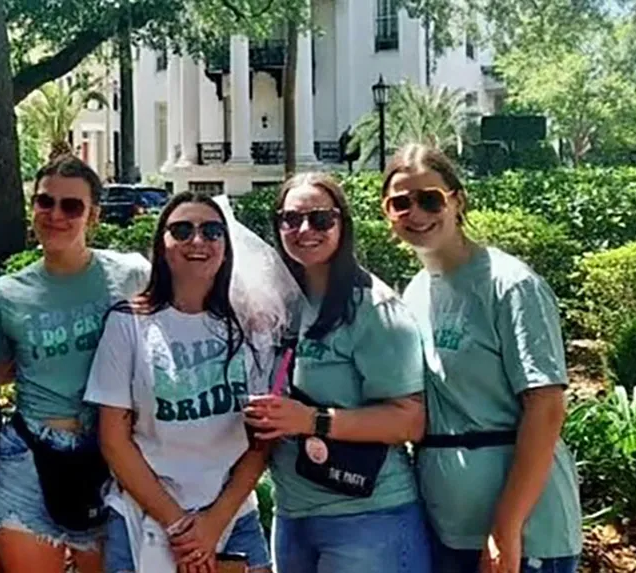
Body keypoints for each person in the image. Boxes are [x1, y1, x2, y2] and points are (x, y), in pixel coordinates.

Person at [383, 143, 582, 573]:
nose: (415, 213)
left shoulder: (510, 286)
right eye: (400, 203)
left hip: (526, 535)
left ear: (457, 201)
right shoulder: (415, 293)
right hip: (447, 527)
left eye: (429, 199)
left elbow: (546, 408)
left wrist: (506, 526)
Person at [245, 172, 433, 573]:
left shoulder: (374, 309)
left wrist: (312, 420)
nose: (304, 230)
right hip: (293, 514)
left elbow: (410, 420)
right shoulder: (280, 304)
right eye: (291, 219)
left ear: (342, 224)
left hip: (368, 518)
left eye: (320, 219)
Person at [85, 192, 276, 573]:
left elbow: (263, 440)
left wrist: (213, 523)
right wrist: (180, 526)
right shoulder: (128, 323)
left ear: (226, 245)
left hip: (232, 519)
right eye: (182, 230)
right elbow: (114, 439)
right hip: (144, 518)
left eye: (212, 230)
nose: (198, 240)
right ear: (163, 244)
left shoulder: (251, 328)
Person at [0, 155, 150, 573]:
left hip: (109, 456)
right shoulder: (7, 294)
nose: (56, 215)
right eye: (45, 202)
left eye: (71, 206)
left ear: (92, 215)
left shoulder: (131, 275)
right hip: (28, 458)